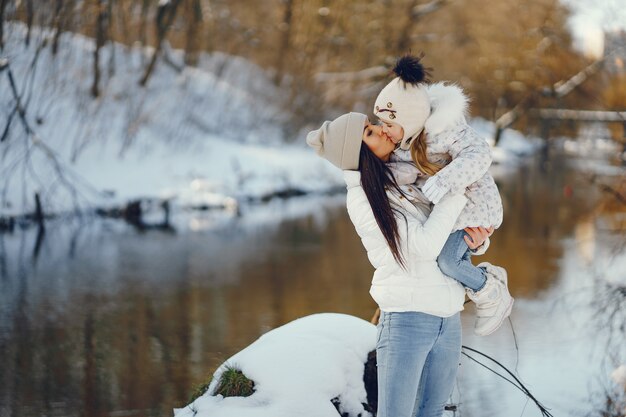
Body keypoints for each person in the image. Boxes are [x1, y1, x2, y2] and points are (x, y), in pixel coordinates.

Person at [306, 112, 491, 417]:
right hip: (408, 321)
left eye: (373, 125)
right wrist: (454, 191)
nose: (381, 130)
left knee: (432, 413)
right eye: (369, 132)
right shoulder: (364, 198)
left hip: (448, 318)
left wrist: (476, 240)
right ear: (358, 153)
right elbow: (424, 245)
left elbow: (444, 230)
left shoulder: (402, 175)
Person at [372, 54, 513, 336]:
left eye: (389, 123)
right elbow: (405, 175)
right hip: (452, 212)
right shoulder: (404, 143)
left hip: (475, 206)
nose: (384, 131)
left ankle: (491, 290)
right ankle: (484, 282)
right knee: (445, 260)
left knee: (447, 262)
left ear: (409, 119)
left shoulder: (444, 129)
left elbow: (479, 153)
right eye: (380, 123)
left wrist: (447, 179)